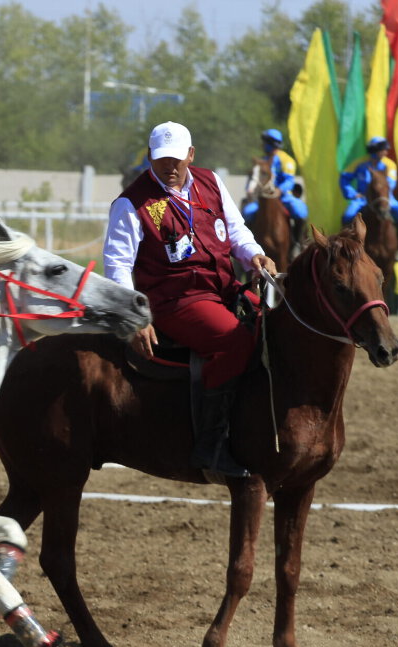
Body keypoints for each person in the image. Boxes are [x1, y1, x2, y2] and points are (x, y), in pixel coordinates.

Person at [103, 121, 277, 479]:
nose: (170, 167)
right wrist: (134, 319)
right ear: (150, 156)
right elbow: (117, 266)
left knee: (278, 328)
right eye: (162, 159)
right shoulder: (132, 203)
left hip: (224, 288)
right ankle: (211, 447)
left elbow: (237, 231)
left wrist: (255, 255)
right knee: (234, 342)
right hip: (174, 300)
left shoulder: (211, 183)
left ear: (191, 155)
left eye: (177, 160)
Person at [340, 136, 398, 258]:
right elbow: (344, 178)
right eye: (383, 149)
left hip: (385, 199)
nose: (386, 152)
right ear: (374, 150)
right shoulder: (359, 164)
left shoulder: (390, 165)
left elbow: (390, 183)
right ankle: (346, 249)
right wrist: (353, 194)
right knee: (347, 216)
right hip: (362, 200)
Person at [242, 128, 307, 244]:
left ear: (272, 143)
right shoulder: (263, 161)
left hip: (283, 197)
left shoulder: (287, 160)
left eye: (265, 142)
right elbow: (254, 179)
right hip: (263, 198)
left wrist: (279, 190)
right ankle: (246, 243)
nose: (262, 145)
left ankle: (298, 242)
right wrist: (249, 190)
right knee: (247, 212)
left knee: (300, 210)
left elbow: (289, 181)